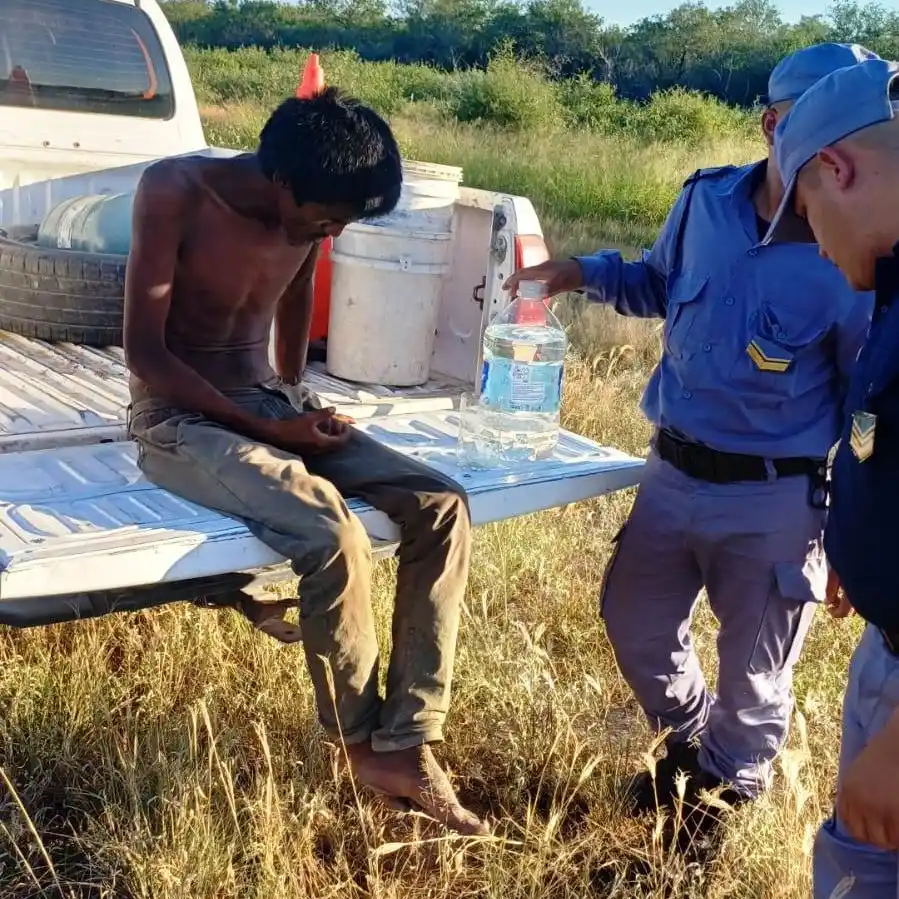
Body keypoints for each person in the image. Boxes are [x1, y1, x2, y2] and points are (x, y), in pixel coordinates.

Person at [505, 43, 877, 832]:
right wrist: (580, 272)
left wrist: (852, 528)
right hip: (672, 474)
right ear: (772, 125)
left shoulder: (857, 248)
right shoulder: (705, 201)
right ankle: (692, 742)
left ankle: (719, 799)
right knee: (633, 620)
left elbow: (864, 403)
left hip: (774, 497)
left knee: (755, 672)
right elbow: (655, 282)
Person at [123, 89, 487, 836]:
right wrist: (266, 429)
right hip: (177, 415)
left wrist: (294, 399)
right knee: (331, 532)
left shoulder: (310, 211)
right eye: (328, 219)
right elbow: (144, 353)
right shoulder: (175, 190)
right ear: (281, 180)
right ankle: (359, 745)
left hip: (265, 399)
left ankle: (409, 739)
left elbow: (295, 297)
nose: (334, 232)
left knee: (442, 505)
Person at [764, 56, 899, 898]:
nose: (814, 243)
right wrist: (860, 537)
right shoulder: (890, 282)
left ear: (836, 168)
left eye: (807, 213)